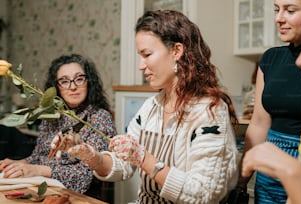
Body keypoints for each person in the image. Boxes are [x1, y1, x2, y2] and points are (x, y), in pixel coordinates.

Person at [51, 10, 239, 203]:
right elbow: (122, 166)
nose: (141, 65)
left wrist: (144, 159)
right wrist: (93, 158)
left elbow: (203, 194)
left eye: (147, 54)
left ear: (176, 51)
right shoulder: (151, 107)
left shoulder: (209, 111)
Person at [0, 54, 116, 194]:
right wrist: (21, 163)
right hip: (44, 188)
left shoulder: (99, 117)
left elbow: (85, 176)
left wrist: (36, 170)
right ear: (56, 87)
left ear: (89, 82)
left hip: (77, 196)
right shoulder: (52, 115)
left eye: (79, 79)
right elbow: (38, 156)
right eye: (64, 81)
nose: (72, 87)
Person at [237, 0, 301, 203]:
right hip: (267, 166)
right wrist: (241, 181)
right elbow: (259, 124)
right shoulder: (271, 59)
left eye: (290, 10)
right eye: (277, 10)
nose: (279, 18)